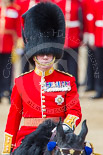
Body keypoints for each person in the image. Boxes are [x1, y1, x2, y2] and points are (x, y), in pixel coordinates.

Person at [2, 2, 82, 154]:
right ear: (34, 55)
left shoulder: (67, 80)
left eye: (49, 53)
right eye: (41, 53)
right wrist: (7, 150)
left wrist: (64, 127)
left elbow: (75, 111)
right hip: (28, 140)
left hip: (59, 137)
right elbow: (13, 120)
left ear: (54, 54)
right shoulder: (21, 82)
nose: (45, 56)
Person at [53, 0, 83, 88]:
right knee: (61, 64)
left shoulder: (77, 3)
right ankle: (61, 86)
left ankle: (73, 86)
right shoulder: (57, 3)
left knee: (73, 64)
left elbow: (82, 20)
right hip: (61, 38)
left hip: (74, 36)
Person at [0, 0, 21, 102]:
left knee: (8, 68)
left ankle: (7, 90)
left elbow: (17, 26)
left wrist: (19, 41)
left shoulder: (14, 10)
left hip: (9, 44)